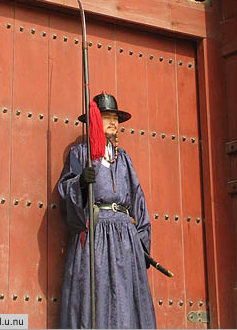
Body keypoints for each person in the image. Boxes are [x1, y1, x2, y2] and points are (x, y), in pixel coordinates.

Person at [58, 92, 156, 329]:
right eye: (107, 117)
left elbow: (138, 200)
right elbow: (65, 189)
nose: (113, 123)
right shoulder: (81, 154)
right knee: (96, 293)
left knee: (125, 296)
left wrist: (141, 243)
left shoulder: (123, 159)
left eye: (115, 118)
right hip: (96, 233)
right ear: (95, 121)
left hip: (125, 237)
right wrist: (80, 182)